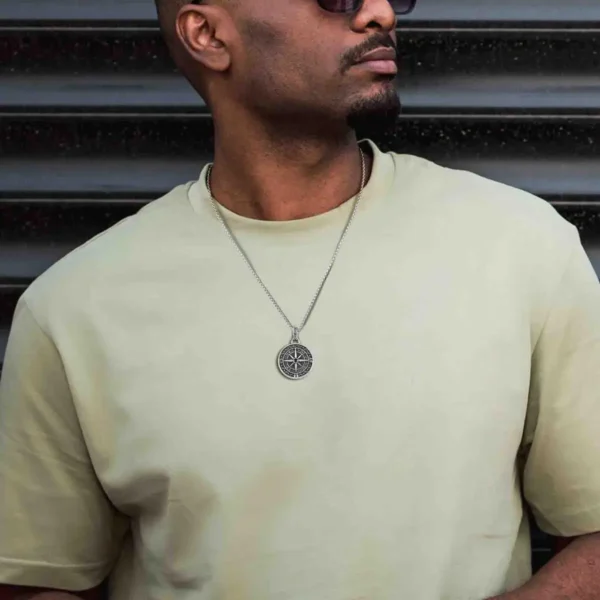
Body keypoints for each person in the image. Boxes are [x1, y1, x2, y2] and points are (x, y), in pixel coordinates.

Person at [1, 0, 600, 599]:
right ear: (207, 34)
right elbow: (38, 579)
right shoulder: (76, 308)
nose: (380, 13)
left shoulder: (518, 246)